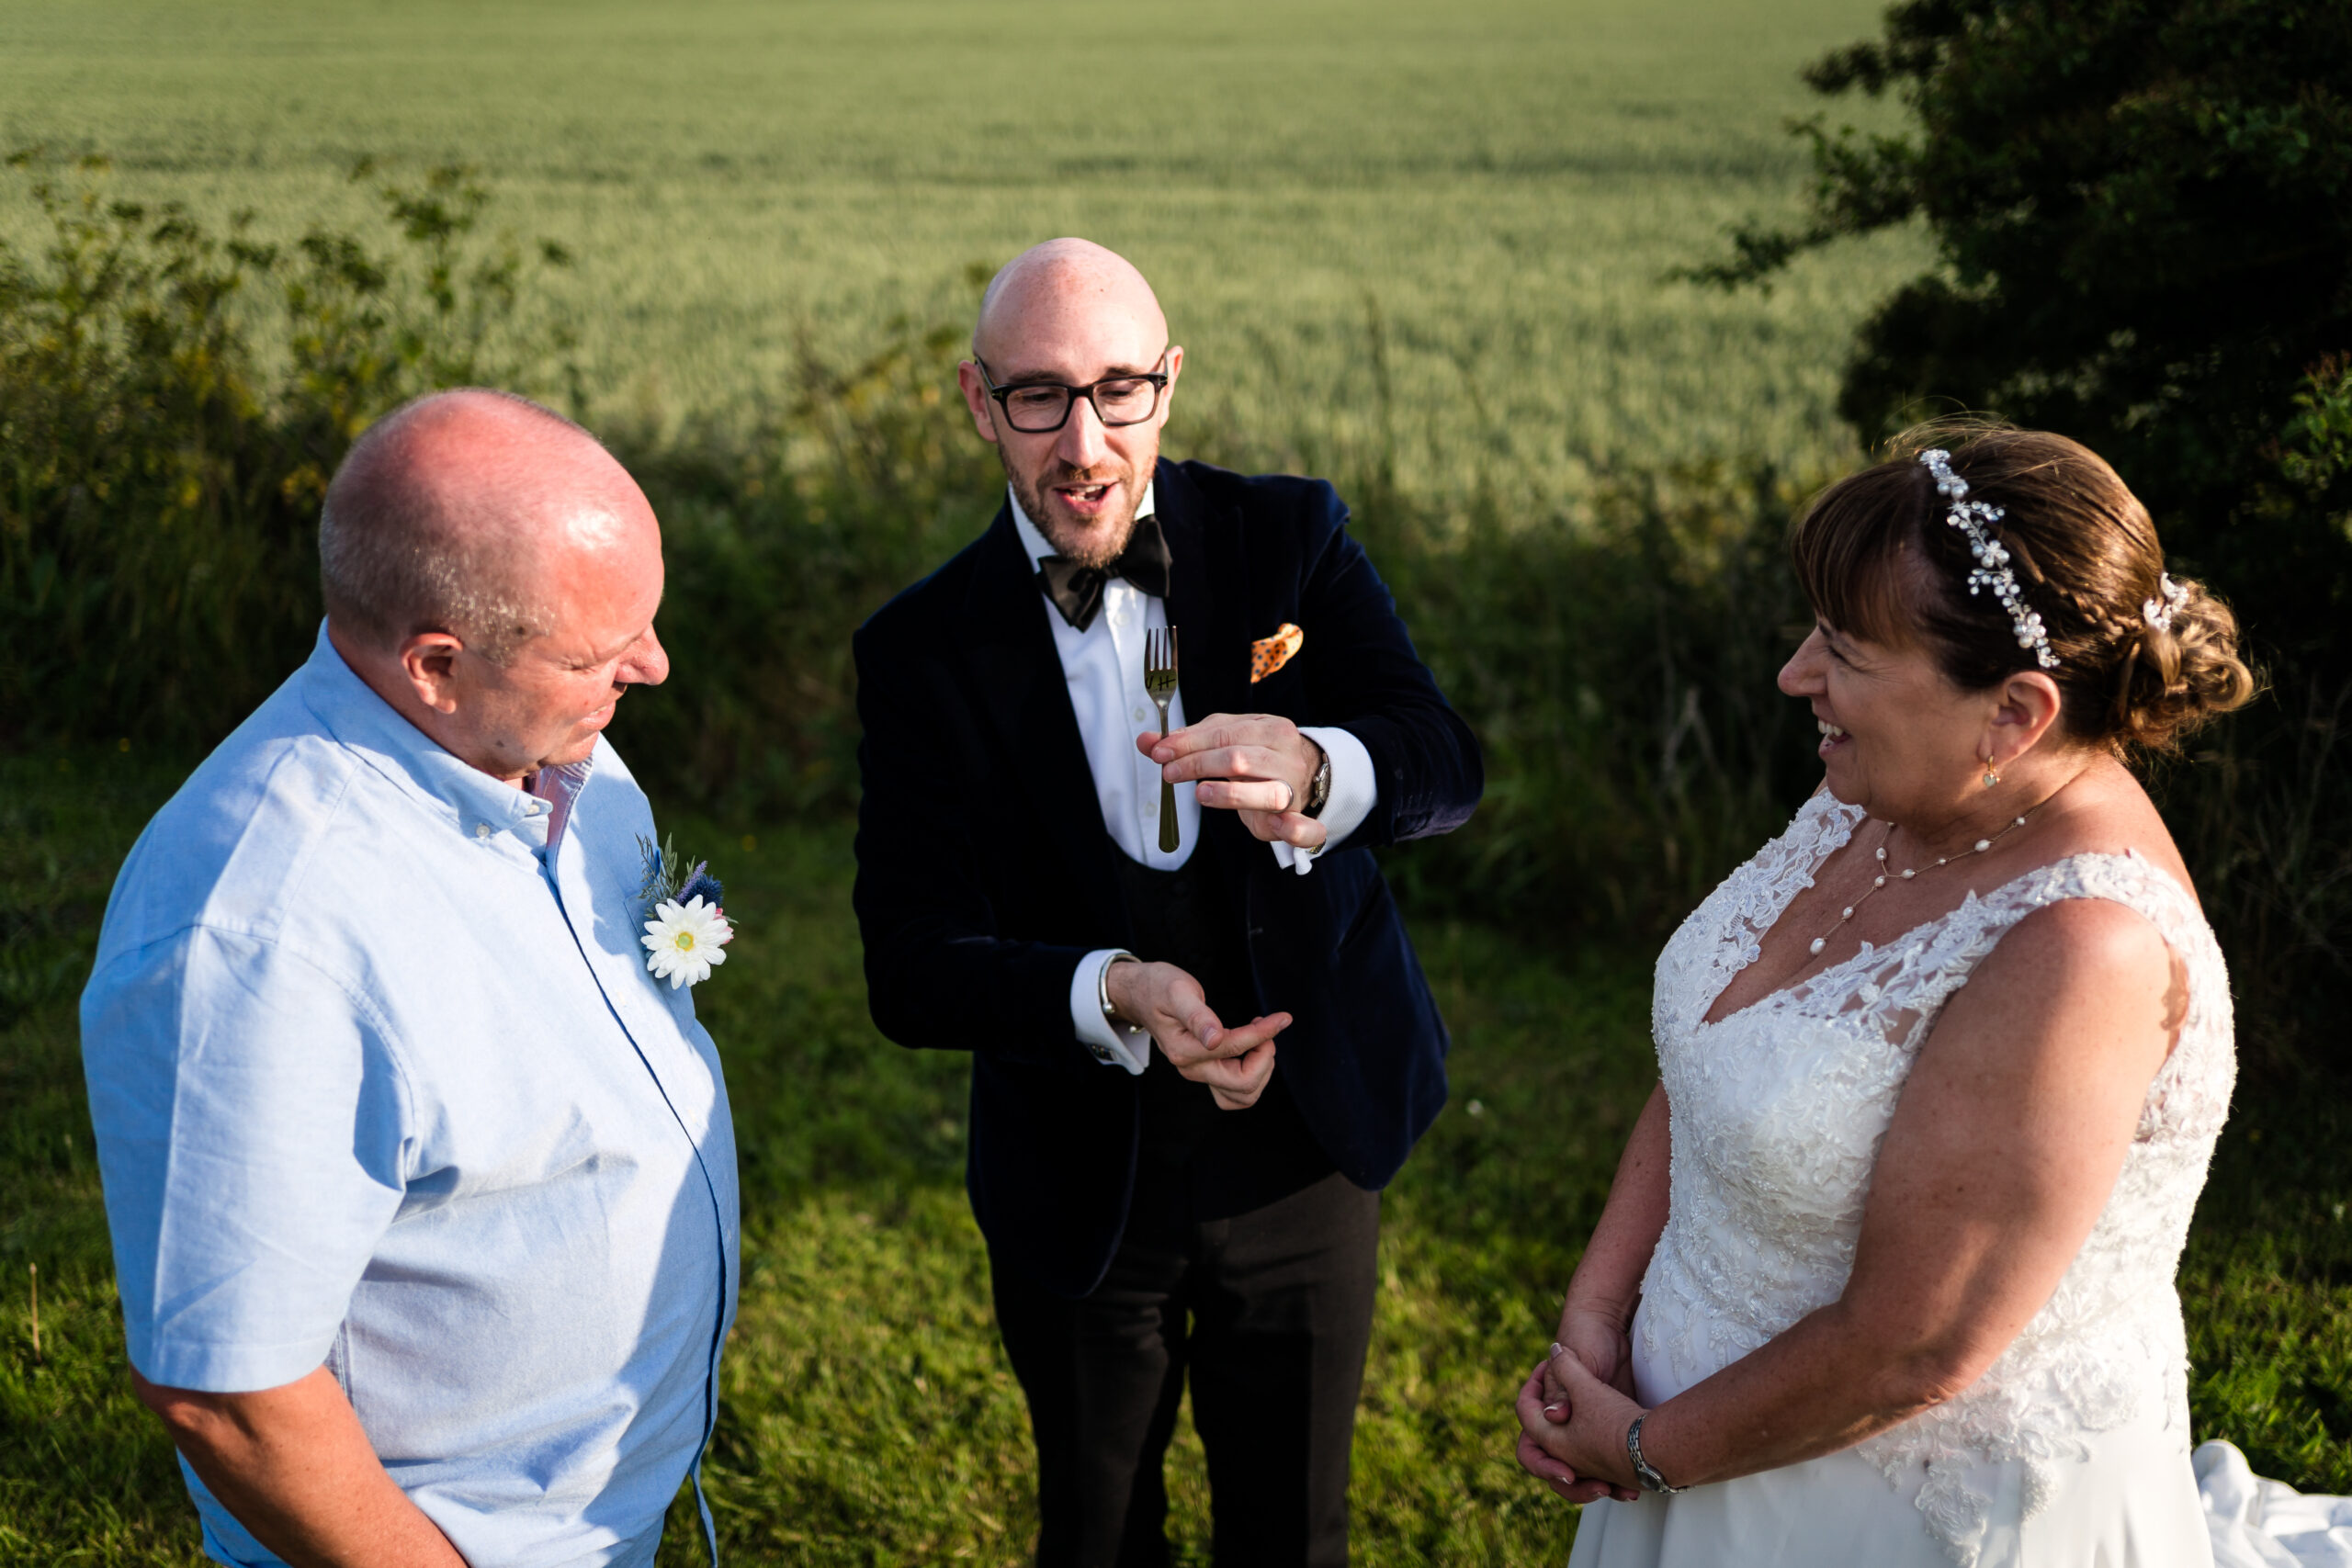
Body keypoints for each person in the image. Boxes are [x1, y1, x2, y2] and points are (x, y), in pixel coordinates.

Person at [1510, 422, 2283, 1565]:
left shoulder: (2081, 952)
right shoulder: (1882, 790)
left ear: (2013, 715)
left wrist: (1653, 1450)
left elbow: (1915, 1345)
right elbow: (1721, 1054)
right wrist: (1598, 1312)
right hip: (1679, 1424)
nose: (1795, 677)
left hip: (1878, 1509)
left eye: (1846, 650)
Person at [852, 239, 1481, 1565]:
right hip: (1077, 1173)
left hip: (1310, 1143)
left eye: (1117, 390)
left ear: (1169, 386)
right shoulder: (920, 647)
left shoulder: (1287, 534)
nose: (1082, 441)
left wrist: (1323, 762)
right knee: (1093, 1533)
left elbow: (1443, 763)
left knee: (1292, 1532)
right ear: (979, 401)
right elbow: (909, 965)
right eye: (1037, 396)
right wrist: (1111, 990)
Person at [79, 390, 739, 1568]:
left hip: (599, 1510)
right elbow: (226, 1394)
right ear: (436, 663)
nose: (655, 666)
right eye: (601, 651)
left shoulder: (542, 740)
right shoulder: (262, 929)